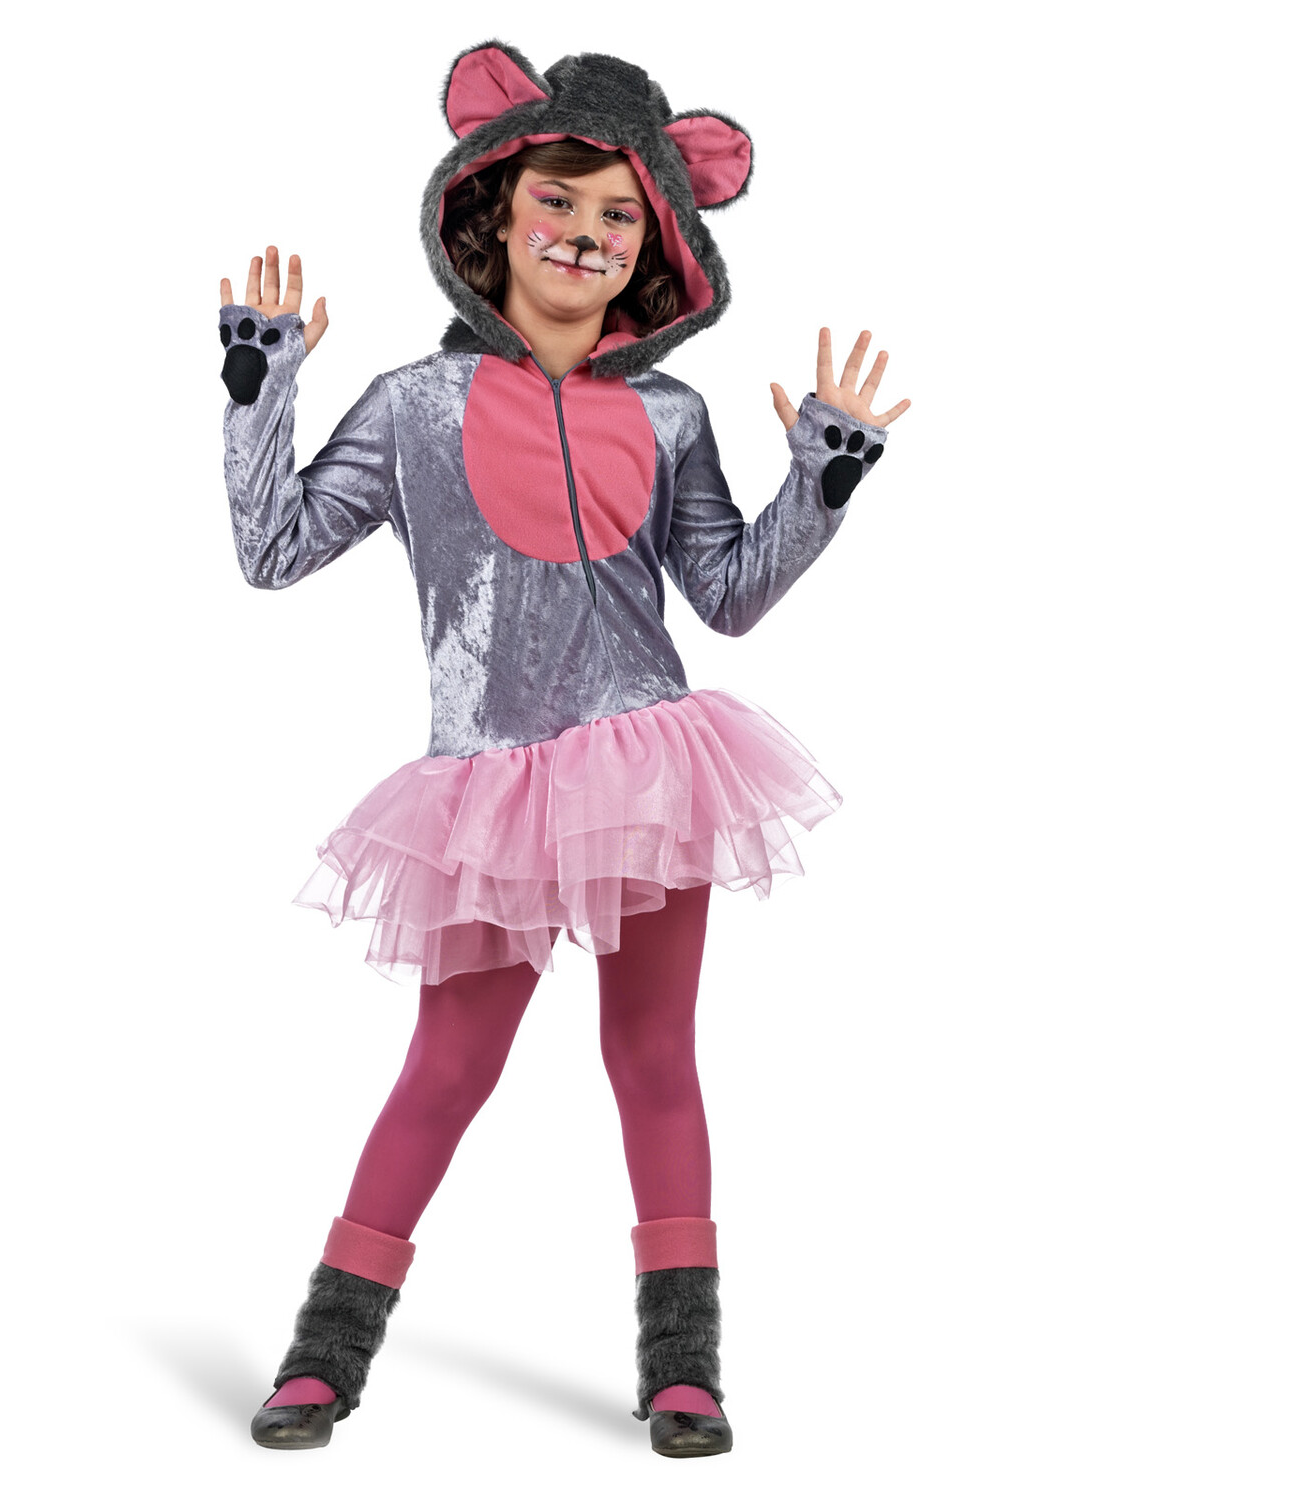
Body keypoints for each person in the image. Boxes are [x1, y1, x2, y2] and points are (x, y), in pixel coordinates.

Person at [217, 39, 909, 1460]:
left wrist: (820, 484)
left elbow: (727, 594)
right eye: (561, 202)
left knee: (653, 1055)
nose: (587, 237)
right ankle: (323, 1357)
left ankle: (684, 1371)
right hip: (484, 782)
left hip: (646, 770)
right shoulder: (414, 405)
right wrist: (259, 388)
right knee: (447, 1067)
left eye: (619, 218)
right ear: (490, 212)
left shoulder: (669, 414)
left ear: (655, 250)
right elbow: (273, 548)